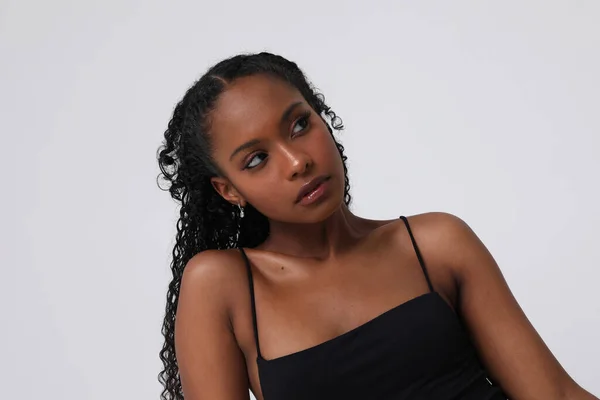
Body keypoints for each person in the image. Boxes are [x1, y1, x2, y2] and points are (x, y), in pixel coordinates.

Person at [156, 52, 597, 400]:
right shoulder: (223, 285)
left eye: (299, 124)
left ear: (320, 114)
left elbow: (554, 394)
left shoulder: (435, 244)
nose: (298, 161)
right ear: (228, 190)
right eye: (256, 159)